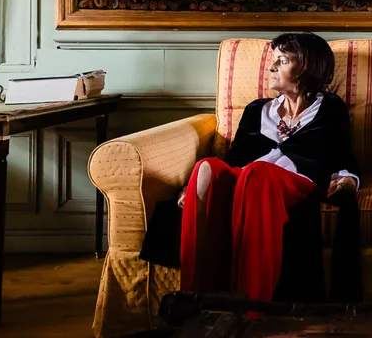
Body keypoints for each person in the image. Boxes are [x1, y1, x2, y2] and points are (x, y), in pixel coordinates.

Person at [140, 32, 360, 308]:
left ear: (306, 67)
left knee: (258, 174)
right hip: (247, 179)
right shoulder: (257, 110)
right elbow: (235, 159)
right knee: (206, 168)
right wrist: (193, 185)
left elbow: (341, 153)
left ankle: (251, 308)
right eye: (273, 60)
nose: (271, 68)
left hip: (295, 182)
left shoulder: (329, 107)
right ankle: (196, 302)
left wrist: (346, 179)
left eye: (281, 61)